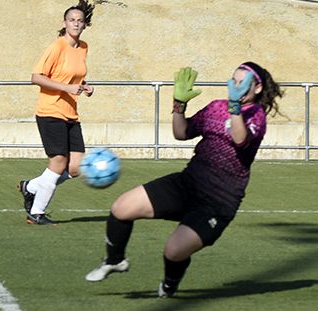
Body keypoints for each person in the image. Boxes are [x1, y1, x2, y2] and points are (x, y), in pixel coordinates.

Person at [84, 63, 283, 297]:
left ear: (257, 87)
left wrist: (235, 106)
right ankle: (114, 260)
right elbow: (182, 133)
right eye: (233, 80)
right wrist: (179, 105)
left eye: (242, 82)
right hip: (187, 184)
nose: (235, 86)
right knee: (121, 207)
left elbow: (240, 139)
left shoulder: (255, 115)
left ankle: (169, 284)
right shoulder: (216, 107)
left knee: (173, 250)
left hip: (218, 202)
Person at [18, 0, 95, 225]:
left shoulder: (83, 47)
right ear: (64, 23)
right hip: (50, 111)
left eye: (80, 20)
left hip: (71, 113)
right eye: (72, 20)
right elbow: (36, 77)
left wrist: (83, 87)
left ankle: (30, 186)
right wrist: (66, 87)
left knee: (76, 167)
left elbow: (73, 77)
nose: (76, 23)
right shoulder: (56, 46)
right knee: (58, 161)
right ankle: (37, 212)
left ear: (85, 24)